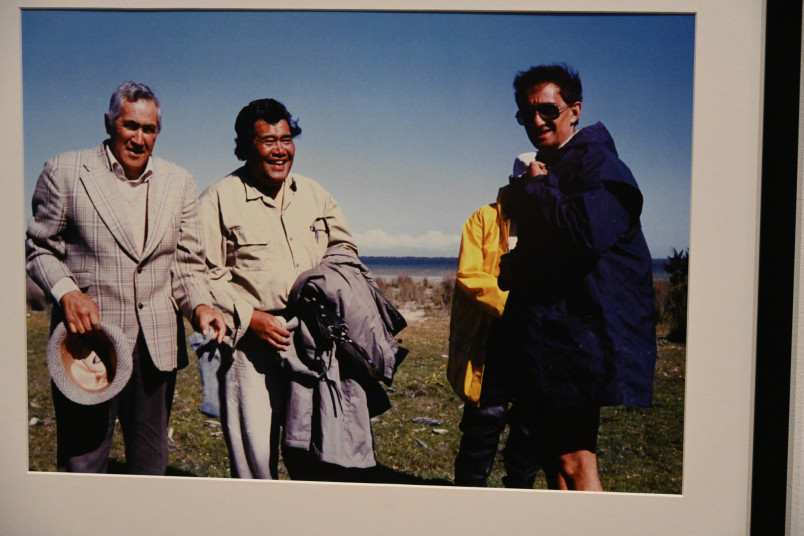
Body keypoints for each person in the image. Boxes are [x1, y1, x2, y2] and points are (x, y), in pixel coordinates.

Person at [26, 81, 225, 474]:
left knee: (151, 467)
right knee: (82, 463)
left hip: (155, 350)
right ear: (109, 122)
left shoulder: (180, 182)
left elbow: (186, 266)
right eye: (129, 126)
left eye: (149, 129)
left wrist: (200, 306)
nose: (139, 138)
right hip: (86, 346)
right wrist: (67, 292)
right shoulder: (64, 171)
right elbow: (39, 247)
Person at [498, 64, 657, 490]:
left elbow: (586, 234)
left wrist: (533, 190)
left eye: (547, 109)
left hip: (579, 338)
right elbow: (559, 251)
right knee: (556, 459)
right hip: (554, 337)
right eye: (525, 113)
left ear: (574, 110)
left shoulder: (598, 164)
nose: (536, 121)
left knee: (574, 459)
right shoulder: (556, 165)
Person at [198, 98, 357, 479]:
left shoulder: (315, 194)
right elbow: (204, 273)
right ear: (245, 145)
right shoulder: (219, 198)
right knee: (254, 464)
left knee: (316, 453)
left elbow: (345, 248)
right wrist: (251, 318)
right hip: (248, 347)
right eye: (269, 141)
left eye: (286, 139)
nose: (280, 150)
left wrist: (326, 285)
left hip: (312, 341)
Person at [448, 154, 534, 487]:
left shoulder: (554, 219)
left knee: (529, 428)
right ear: (514, 182)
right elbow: (469, 275)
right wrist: (511, 305)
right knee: (484, 421)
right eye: (526, 183)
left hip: (536, 338)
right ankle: (468, 505)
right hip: (492, 336)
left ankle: (518, 502)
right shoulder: (481, 220)